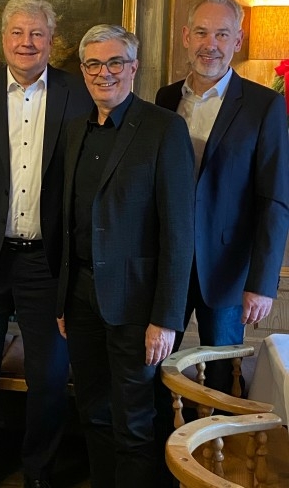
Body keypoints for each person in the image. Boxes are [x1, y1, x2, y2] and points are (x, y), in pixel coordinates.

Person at [0, 0, 93, 488]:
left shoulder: (79, 93)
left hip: (48, 263)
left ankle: (38, 470)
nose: (26, 42)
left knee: (49, 376)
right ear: (3, 38)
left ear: (51, 40)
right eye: (17, 32)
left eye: (37, 34)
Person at [55, 24, 195, 488]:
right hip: (80, 298)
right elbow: (69, 220)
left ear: (133, 68)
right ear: (83, 71)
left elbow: (179, 232)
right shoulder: (75, 130)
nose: (105, 73)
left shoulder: (164, 129)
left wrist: (166, 319)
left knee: (134, 423)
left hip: (137, 306)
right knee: (92, 413)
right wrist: (62, 300)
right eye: (94, 64)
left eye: (115, 62)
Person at [156, 0, 289, 393]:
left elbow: (274, 200)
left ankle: (215, 436)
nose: (209, 44)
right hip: (169, 264)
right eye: (201, 32)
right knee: (158, 367)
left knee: (221, 376)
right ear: (186, 36)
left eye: (221, 34)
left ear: (238, 40)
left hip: (228, 270)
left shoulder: (264, 105)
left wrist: (262, 282)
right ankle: (163, 433)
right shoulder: (165, 98)